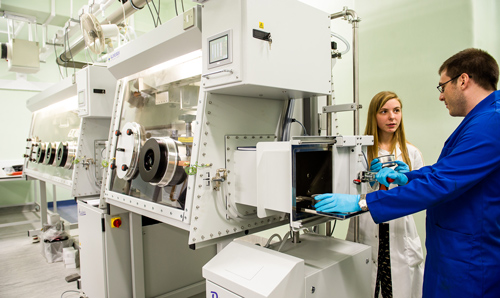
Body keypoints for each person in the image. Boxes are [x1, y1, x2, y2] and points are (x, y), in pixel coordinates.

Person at [314, 48, 500, 298]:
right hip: (456, 251)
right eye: (384, 111)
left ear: (463, 80)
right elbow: (443, 173)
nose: (441, 96)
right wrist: (408, 177)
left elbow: (440, 183)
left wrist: (361, 201)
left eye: (442, 87)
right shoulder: (481, 121)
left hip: (470, 257)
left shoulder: (490, 123)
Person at [345, 91, 424, 298]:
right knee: (366, 287)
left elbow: (419, 196)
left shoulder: (411, 153)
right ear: (374, 115)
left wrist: (406, 181)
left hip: (399, 233)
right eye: (384, 111)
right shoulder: (359, 152)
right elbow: (349, 193)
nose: (392, 117)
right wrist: (370, 181)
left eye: (396, 111)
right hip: (368, 229)